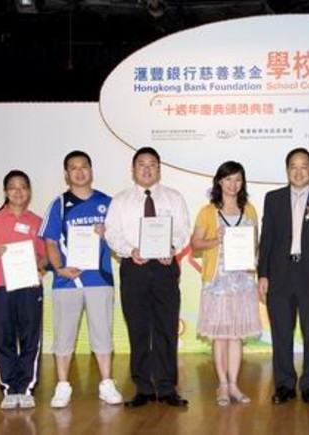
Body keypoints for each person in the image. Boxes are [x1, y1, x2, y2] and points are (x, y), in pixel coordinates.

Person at [105, 146, 191, 408]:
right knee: (139, 329)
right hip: (135, 268)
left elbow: (183, 229)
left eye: (152, 164)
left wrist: (173, 247)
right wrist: (130, 250)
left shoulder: (174, 198)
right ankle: (143, 387)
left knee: (166, 328)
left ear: (159, 168)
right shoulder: (120, 201)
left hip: (165, 268)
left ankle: (167, 388)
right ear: (133, 170)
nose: (146, 169)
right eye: (141, 164)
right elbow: (112, 233)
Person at [39, 150, 122, 408]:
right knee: (64, 335)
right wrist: (59, 268)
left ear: (91, 170)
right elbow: (50, 242)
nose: (79, 171)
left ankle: (106, 383)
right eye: (73, 168)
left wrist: (106, 232)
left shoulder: (108, 203)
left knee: (103, 333)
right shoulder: (59, 204)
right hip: (67, 281)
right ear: (66, 174)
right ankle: (62, 386)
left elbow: (121, 243)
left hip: (100, 280)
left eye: (84, 166)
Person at [258, 147, 309, 405]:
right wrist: (263, 274)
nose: (299, 171)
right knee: (282, 332)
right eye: (294, 166)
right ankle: (284, 385)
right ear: (287, 169)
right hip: (280, 274)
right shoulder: (273, 198)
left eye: (304, 166)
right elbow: (267, 238)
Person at [0, 170, 47, 410]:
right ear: (5, 192)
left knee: (29, 336)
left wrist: (39, 267)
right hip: (0, 286)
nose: (18, 191)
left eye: (23, 186)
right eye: (12, 187)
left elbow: (46, 256)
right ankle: (8, 387)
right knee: (3, 336)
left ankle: (25, 388)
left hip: (29, 286)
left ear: (29, 192)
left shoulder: (37, 222)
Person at [190, 161, 262, 406]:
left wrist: (252, 258)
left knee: (236, 336)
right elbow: (195, 244)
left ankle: (234, 384)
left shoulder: (249, 209)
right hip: (217, 282)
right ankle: (222, 384)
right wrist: (215, 240)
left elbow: (255, 245)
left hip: (242, 282)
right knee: (220, 336)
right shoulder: (208, 211)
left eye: (238, 179)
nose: (233, 184)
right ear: (219, 181)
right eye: (228, 179)